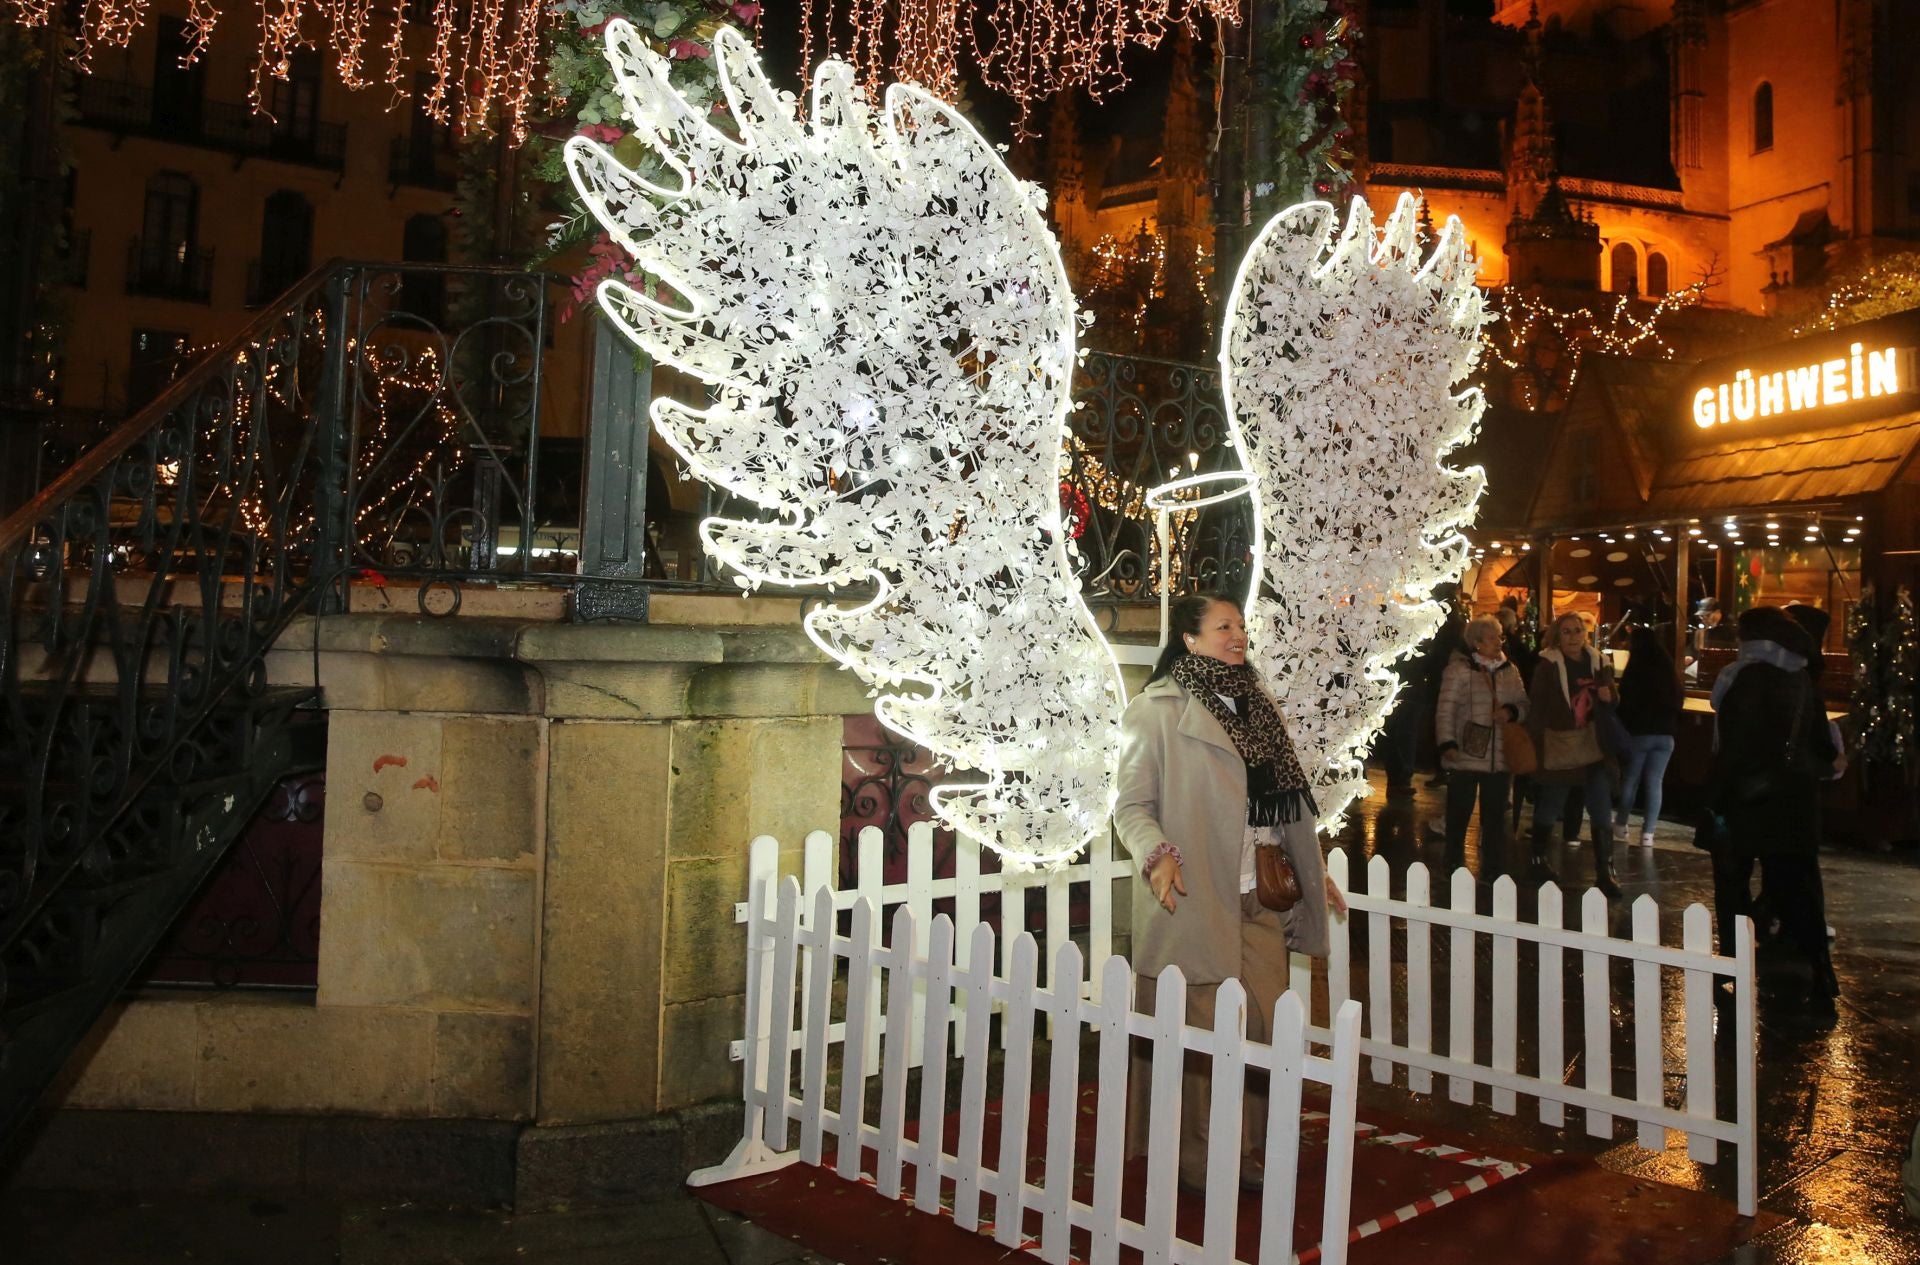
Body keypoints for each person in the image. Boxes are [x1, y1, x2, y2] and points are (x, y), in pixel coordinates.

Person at [1114, 592, 1347, 1190]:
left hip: (1258, 895)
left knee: (1267, 1024)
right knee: (1205, 1036)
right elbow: (1132, 806)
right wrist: (1156, 853)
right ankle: (1200, 1164)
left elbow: (1278, 810)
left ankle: (1248, 1149)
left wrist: (1309, 872)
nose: (1238, 635)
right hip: (1196, 897)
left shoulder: (1256, 705)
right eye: (1224, 626)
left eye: (1241, 625)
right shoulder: (1157, 710)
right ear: (1189, 639)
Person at [1706, 606, 1840, 1007]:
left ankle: (1732, 965)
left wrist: (1715, 802)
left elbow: (1732, 750)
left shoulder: (1742, 678)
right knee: (1799, 888)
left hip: (1746, 802)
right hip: (1794, 804)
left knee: (1732, 885)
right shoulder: (1801, 679)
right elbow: (1824, 747)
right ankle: (1821, 971)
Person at [1526, 612, 1622, 897]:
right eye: (1566, 631)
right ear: (1557, 636)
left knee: (1601, 806)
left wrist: (1610, 697)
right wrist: (1537, 748)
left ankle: (1605, 870)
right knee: (1553, 802)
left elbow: (1613, 699)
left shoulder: (1598, 661)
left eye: (1578, 630)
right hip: (1562, 743)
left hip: (1594, 745)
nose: (1573, 637)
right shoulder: (1548, 665)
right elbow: (1537, 707)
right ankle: (1537, 857)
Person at [1434, 614, 1529, 875]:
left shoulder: (1510, 671)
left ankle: (1493, 868)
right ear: (1476, 642)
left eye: (1499, 636)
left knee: (1495, 817)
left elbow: (1523, 704)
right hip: (1466, 751)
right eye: (1491, 637)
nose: (1498, 642)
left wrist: (1511, 712)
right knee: (1459, 811)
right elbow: (1446, 709)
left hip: (1499, 756)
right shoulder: (1459, 670)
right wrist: (1447, 743)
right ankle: (1453, 862)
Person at [1613, 625, 1681, 847]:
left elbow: (1625, 703)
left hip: (1640, 734)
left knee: (1630, 780)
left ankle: (1621, 825)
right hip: (1666, 735)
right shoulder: (1668, 668)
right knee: (1655, 783)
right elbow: (1678, 700)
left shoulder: (1636, 669)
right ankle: (1648, 834)